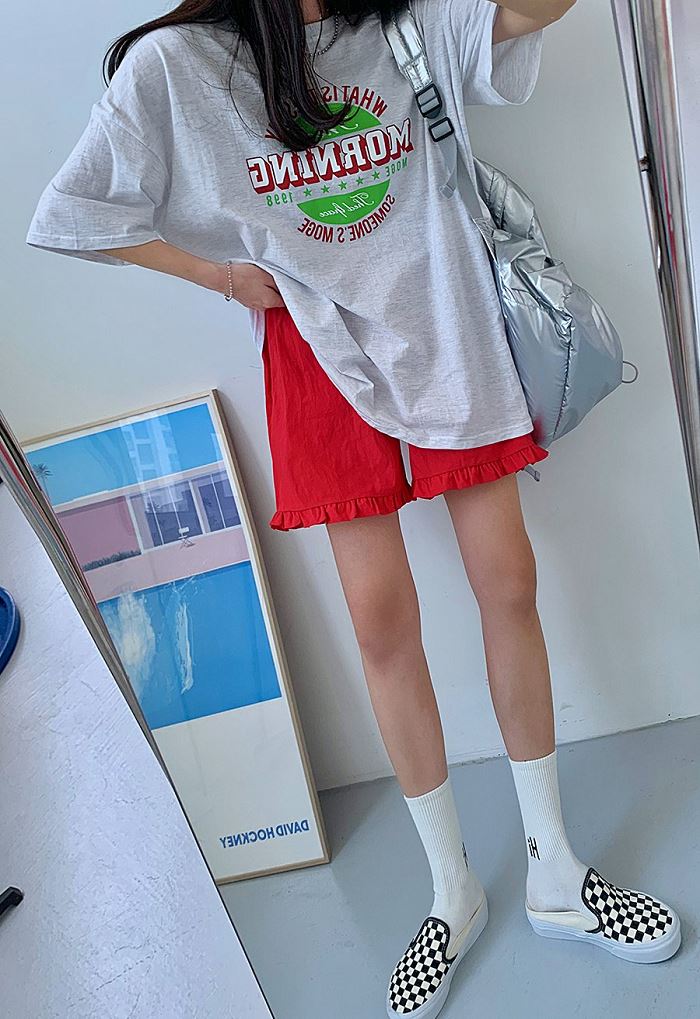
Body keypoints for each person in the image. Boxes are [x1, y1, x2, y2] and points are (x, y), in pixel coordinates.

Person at [26, 1, 681, 1015]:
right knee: (380, 621)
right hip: (316, 354)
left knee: (508, 583)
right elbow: (75, 212)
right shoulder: (184, 63)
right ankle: (451, 888)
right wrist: (222, 274)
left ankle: (554, 865)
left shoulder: (410, 23)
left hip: (450, 322)